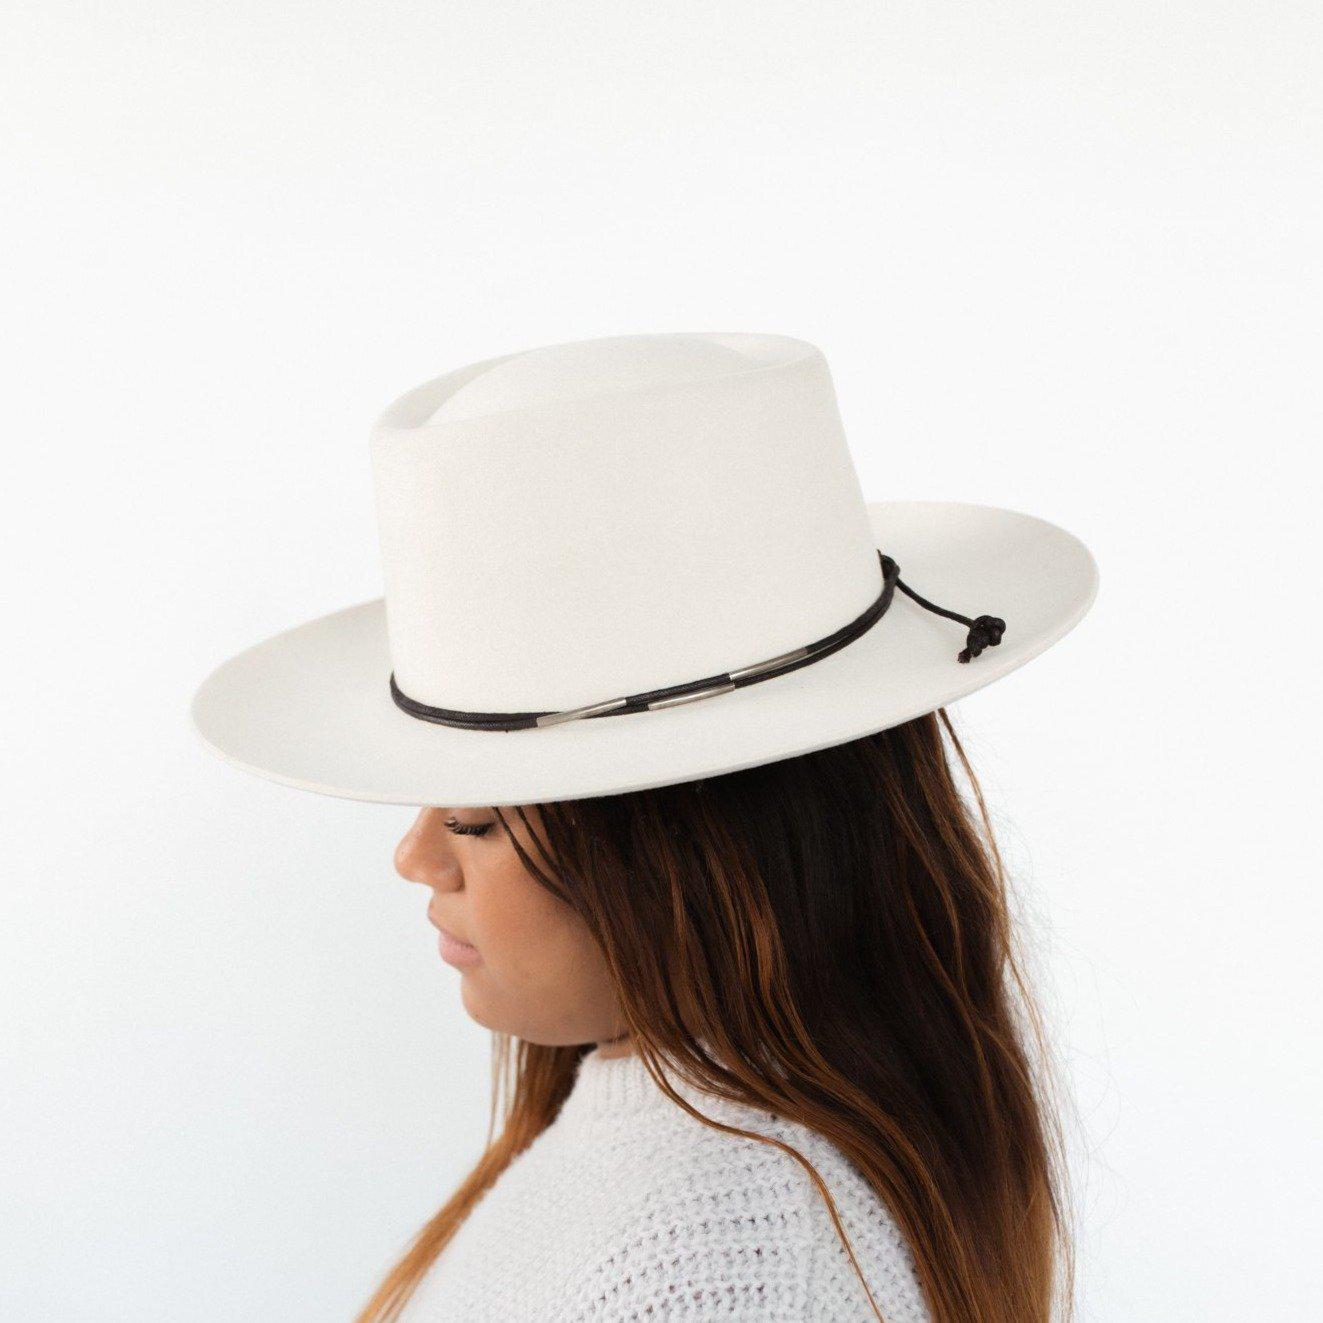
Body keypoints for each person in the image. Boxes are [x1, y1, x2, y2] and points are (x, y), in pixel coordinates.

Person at [192, 332, 1098, 1322]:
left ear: (698, 852)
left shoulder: (718, 1268)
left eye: (474, 821)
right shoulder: (660, 1126)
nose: (416, 858)